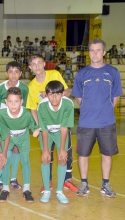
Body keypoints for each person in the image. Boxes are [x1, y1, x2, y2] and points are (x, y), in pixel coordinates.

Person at [71, 39, 122, 198]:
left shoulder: (113, 72)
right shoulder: (82, 74)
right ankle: (84, 183)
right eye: (92, 50)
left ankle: (105, 183)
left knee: (106, 154)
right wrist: (90, 109)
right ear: (88, 53)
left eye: (98, 50)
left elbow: (116, 97)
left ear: (104, 52)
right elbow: (79, 97)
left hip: (107, 123)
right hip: (86, 123)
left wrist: (104, 111)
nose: (94, 53)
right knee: (83, 154)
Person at [26, 54, 78, 192]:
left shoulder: (54, 74)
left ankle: (67, 180)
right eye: (33, 64)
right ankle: (47, 182)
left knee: (66, 152)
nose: (37, 66)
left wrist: (51, 93)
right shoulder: (31, 86)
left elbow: (67, 91)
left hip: (61, 122)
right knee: (47, 153)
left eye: (39, 62)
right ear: (30, 68)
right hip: (45, 125)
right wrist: (39, 126)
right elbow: (32, 109)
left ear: (44, 64)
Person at [0, 87, 39, 202]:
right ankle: (5, 189)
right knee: (5, 161)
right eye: (10, 101)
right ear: (6, 102)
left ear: (22, 102)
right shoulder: (0, 113)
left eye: (16, 101)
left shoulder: (27, 114)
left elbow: (34, 126)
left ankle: (27, 190)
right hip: (8, 137)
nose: (13, 104)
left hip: (23, 137)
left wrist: (36, 130)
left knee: (25, 161)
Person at [38, 81, 74, 204]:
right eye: (51, 94)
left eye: (58, 94)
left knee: (63, 158)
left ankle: (59, 191)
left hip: (60, 133)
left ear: (63, 94)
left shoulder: (68, 104)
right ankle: (47, 190)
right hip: (47, 133)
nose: (54, 98)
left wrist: (62, 149)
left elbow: (64, 127)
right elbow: (43, 128)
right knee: (46, 158)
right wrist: (45, 150)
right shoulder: (42, 106)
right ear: (46, 95)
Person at [0, 62, 29, 191]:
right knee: (4, 153)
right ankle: (0, 180)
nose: (13, 74)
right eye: (10, 71)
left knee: (16, 151)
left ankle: (13, 178)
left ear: (20, 73)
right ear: (6, 73)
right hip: (4, 126)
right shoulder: (0, 88)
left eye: (16, 72)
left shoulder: (24, 88)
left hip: (18, 126)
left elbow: (24, 107)